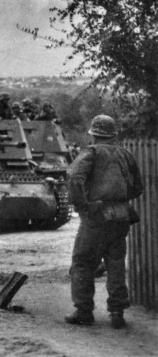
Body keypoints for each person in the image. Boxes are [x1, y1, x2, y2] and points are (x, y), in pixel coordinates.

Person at [64, 115, 143, 329]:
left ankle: (83, 311)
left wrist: (83, 206)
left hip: (97, 217)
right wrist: (119, 197)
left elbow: (74, 178)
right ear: (113, 134)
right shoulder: (125, 154)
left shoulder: (91, 153)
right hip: (121, 216)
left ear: (93, 134)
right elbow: (138, 187)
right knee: (115, 263)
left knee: (82, 262)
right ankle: (117, 313)